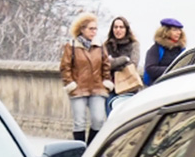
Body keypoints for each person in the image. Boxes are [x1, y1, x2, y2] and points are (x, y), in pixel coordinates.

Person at [60, 12, 111, 144]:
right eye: (91, 28)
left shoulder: (99, 45)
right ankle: (80, 150)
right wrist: (70, 83)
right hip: (78, 88)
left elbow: (106, 64)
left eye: (95, 28)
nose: (94, 32)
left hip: (97, 87)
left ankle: (91, 148)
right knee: (79, 121)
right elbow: (65, 66)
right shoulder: (71, 45)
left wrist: (106, 80)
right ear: (82, 29)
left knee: (99, 119)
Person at [104, 16, 141, 114]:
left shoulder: (134, 45)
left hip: (128, 87)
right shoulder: (106, 46)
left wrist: (114, 63)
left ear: (126, 29)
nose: (118, 30)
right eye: (115, 27)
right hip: (111, 88)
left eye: (121, 27)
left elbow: (133, 64)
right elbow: (105, 65)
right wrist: (123, 60)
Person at [143, 18, 187, 85]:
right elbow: (150, 69)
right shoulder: (156, 49)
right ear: (165, 31)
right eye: (175, 30)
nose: (179, 32)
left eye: (179, 30)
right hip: (159, 85)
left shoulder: (181, 49)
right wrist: (173, 69)